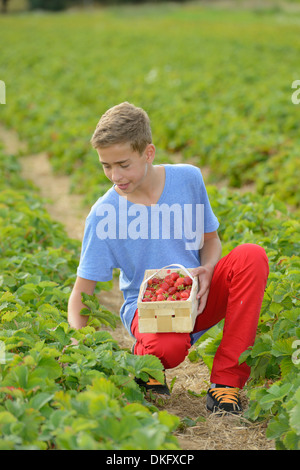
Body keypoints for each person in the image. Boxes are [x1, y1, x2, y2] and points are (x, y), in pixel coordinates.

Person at [68, 102, 269, 414]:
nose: (114, 176)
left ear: (149, 153)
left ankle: (226, 384)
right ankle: (146, 358)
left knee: (251, 256)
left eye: (123, 164)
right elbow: (83, 290)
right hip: (148, 310)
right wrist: (80, 344)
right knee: (168, 349)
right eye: (105, 166)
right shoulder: (104, 214)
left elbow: (210, 241)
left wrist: (207, 269)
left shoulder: (188, 180)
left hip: (196, 297)